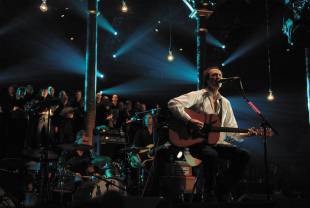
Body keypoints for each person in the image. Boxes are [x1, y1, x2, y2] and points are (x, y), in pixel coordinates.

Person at [168, 66, 256, 202]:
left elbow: (231, 130)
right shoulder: (198, 95)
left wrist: (247, 134)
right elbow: (173, 103)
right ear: (207, 80)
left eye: (220, 75)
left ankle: (222, 189)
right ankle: (209, 194)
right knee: (211, 155)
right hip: (198, 144)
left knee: (244, 155)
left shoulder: (225, 102)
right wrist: (190, 120)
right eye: (214, 75)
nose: (218, 77)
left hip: (218, 144)